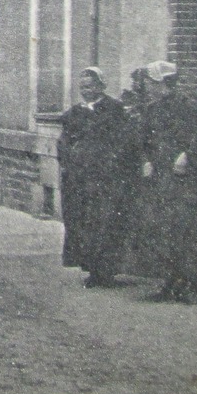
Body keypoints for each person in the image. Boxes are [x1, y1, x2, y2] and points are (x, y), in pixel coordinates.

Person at [136, 60, 197, 302]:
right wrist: (146, 160)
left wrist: (188, 154)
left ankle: (190, 287)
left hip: (184, 179)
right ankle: (168, 283)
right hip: (160, 177)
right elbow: (143, 141)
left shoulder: (188, 107)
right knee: (163, 230)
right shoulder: (152, 110)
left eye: (151, 82)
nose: (147, 86)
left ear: (163, 83)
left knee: (186, 230)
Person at [56, 68, 137, 287]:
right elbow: (64, 143)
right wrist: (69, 162)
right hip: (79, 178)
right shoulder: (74, 113)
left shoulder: (114, 110)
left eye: (91, 86)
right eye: (82, 87)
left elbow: (124, 142)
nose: (86, 91)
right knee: (84, 222)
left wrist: (111, 163)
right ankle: (91, 269)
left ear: (101, 86)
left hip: (106, 178)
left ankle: (107, 271)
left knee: (106, 221)